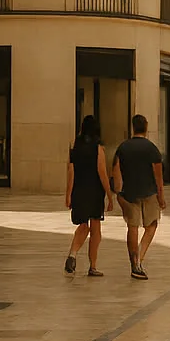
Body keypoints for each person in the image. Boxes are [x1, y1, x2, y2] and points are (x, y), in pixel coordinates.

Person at [111, 114, 165, 281]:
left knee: (132, 227)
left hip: (129, 192)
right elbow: (158, 176)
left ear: (133, 127)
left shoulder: (123, 148)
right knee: (152, 224)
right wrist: (161, 197)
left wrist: (117, 193)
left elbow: (116, 171)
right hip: (149, 193)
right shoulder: (152, 149)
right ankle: (140, 258)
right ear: (146, 127)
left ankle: (134, 263)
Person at [64, 116, 116, 277]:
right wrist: (109, 194)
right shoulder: (98, 148)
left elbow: (70, 171)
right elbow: (102, 172)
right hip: (94, 191)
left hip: (78, 190)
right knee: (95, 230)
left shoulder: (75, 146)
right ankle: (92, 266)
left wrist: (68, 194)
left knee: (83, 225)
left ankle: (73, 254)